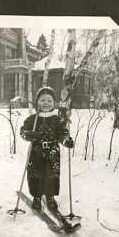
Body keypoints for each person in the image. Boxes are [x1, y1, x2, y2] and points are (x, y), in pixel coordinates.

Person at [19, 86, 75, 215]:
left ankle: (50, 197)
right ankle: (37, 196)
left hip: (52, 151)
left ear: (54, 103)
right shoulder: (32, 119)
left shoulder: (57, 120)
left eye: (49, 101)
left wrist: (66, 140)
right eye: (42, 100)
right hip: (36, 152)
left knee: (51, 174)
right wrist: (30, 134)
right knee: (35, 174)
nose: (46, 103)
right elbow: (23, 132)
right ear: (37, 102)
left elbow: (63, 133)